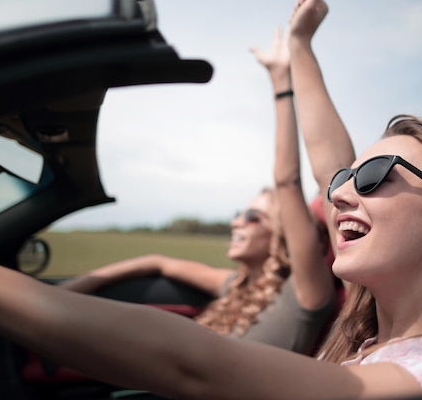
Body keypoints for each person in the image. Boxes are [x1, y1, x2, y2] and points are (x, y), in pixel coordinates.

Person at [0, 0, 422, 399]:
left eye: (374, 179)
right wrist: (299, 49)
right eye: (347, 182)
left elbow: (198, 365)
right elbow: (328, 167)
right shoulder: (372, 327)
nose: (344, 194)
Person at [57, 26, 345, 355]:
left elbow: (287, 181)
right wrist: (79, 285)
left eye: (253, 217)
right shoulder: (235, 287)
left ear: (283, 234)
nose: (237, 222)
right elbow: (158, 262)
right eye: (240, 214)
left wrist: (281, 79)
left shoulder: (305, 293)